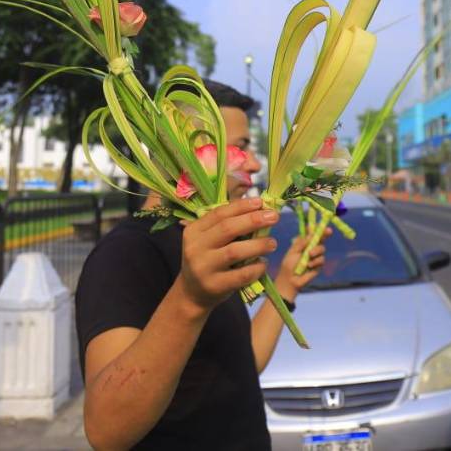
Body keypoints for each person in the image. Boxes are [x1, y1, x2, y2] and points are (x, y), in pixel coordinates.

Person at [74, 81, 330, 450]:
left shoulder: (204, 244)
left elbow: (241, 364)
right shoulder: (126, 253)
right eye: (241, 148)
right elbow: (105, 429)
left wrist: (286, 286)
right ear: (186, 151)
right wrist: (190, 299)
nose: (256, 164)